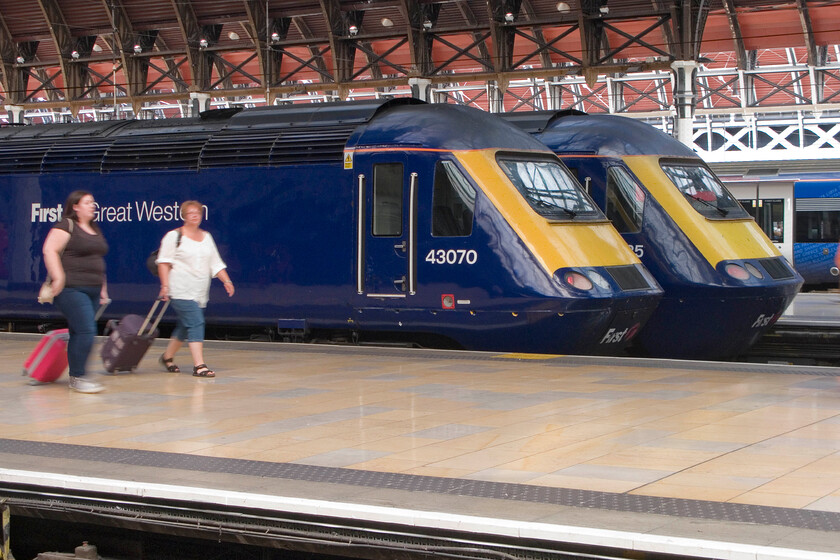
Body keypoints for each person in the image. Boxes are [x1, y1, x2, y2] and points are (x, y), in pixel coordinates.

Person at [156, 200, 234, 377]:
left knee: (184, 327)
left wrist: (227, 281)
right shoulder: (174, 236)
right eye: (190, 213)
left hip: (199, 292)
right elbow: (163, 262)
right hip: (180, 290)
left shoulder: (206, 237)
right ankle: (199, 365)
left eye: (197, 212)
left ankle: (167, 357)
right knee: (196, 322)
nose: (194, 215)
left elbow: (215, 263)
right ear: (184, 216)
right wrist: (165, 285)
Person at [42, 190, 109, 393]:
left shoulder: (94, 228)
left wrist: (103, 287)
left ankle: (76, 375)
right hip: (71, 288)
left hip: (93, 289)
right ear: (75, 207)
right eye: (87, 202)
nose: (92, 205)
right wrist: (59, 276)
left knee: (78, 331)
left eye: (93, 202)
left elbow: (96, 259)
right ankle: (79, 376)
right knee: (86, 331)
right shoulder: (66, 226)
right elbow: (49, 250)